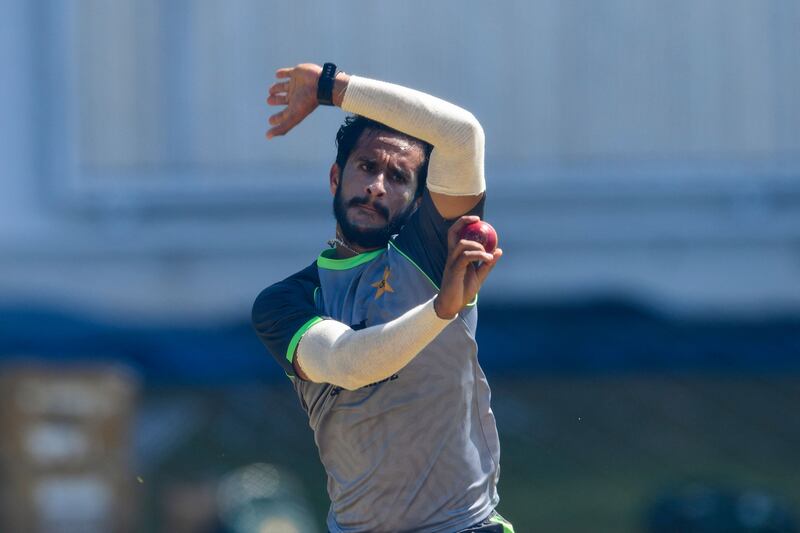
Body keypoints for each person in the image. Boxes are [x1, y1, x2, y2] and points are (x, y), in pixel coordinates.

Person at [252, 62, 513, 533]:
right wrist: (441, 311)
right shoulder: (285, 302)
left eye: (398, 177)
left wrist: (331, 87)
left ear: (417, 201)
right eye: (367, 167)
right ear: (336, 178)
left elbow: (462, 135)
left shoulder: (430, 254)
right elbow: (350, 364)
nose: (377, 186)